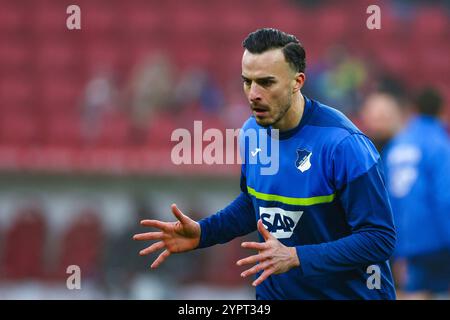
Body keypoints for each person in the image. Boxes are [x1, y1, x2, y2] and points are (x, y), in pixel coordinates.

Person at [133, 28, 397, 299]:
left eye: (266, 82)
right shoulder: (251, 132)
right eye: (247, 82)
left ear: (298, 81)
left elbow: (379, 239)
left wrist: (297, 256)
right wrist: (204, 232)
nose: (253, 94)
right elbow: (254, 203)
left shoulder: (343, 145)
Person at [383, 88, 450, 299]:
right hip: (437, 237)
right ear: (442, 111)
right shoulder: (440, 144)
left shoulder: (396, 144)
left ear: (413, 110)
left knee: (412, 292)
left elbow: (385, 194)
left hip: (403, 237)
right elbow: (444, 196)